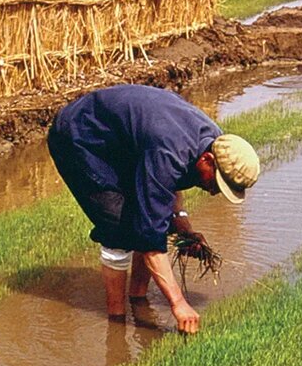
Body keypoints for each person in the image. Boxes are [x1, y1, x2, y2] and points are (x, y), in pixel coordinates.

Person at [47, 84, 261, 334]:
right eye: (216, 183)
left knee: (148, 217)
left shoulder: (213, 143)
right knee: (118, 228)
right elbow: (150, 240)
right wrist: (178, 303)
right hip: (81, 137)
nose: (214, 191)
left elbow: (169, 185)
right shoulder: (170, 151)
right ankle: (117, 323)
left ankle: (138, 300)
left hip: (122, 141)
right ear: (208, 160)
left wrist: (183, 225)